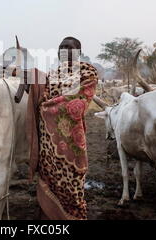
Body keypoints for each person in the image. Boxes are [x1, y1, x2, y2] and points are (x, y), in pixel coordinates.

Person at [24, 36, 98, 220]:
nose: (64, 50)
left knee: (72, 181)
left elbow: (80, 102)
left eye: (69, 47)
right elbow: (42, 95)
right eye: (61, 47)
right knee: (49, 176)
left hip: (71, 140)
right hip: (48, 141)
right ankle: (48, 214)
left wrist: (47, 108)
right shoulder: (53, 74)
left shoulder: (87, 73)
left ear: (78, 52)